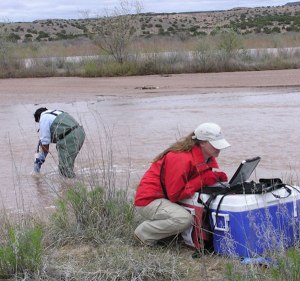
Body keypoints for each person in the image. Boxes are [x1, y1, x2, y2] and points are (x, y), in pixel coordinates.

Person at [134, 122, 230, 246]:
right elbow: (174, 195)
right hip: (149, 200)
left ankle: (171, 235)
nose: (219, 148)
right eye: (215, 144)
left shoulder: (205, 156)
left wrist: (215, 178)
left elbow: (192, 182)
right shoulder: (180, 158)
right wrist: (204, 179)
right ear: (202, 142)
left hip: (165, 198)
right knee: (184, 219)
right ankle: (143, 234)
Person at [33, 107, 85, 178]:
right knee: (68, 165)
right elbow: (60, 130)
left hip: (70, 137)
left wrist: (38, 162)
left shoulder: (43, 118)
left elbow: (45, 145)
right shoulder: (58, 112)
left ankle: (72, 187)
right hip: (80, 133)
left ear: (38, 117)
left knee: (64, 170)